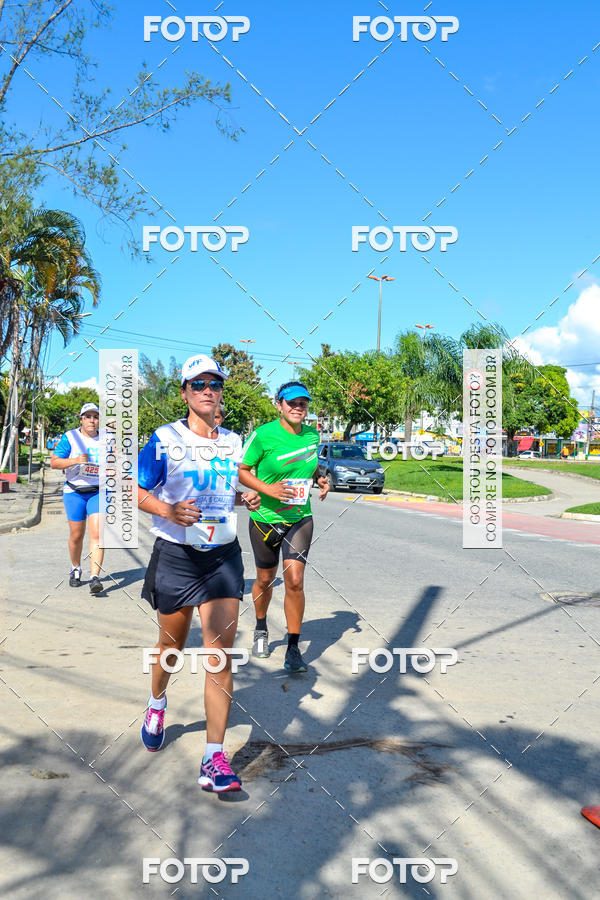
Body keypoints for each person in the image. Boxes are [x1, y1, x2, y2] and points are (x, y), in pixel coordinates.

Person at [137, 353, 261, 793]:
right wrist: (168, 509)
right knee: (170, 646)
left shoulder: (233, 441)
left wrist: (242, 499)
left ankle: (214, 758)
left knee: (218, 655)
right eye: (199, 384)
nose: (208, 391)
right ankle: (157, 702)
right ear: (186, 393)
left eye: (215, 384)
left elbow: (221, 492)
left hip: (223, 556)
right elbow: (134, 490)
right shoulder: (164, 439)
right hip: (176, 555)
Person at [238, 381, 329, 673]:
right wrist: (268, 489)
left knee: (295, 580)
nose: (297, 408)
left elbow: (310, 463)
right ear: (279, 405)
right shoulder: (263, 435)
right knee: (265, 579)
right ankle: (261, 627)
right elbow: (241, 470)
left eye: (303, 403)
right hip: (264, 518)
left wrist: (321, 477)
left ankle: (293, 647)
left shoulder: (313, 435)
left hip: (300, 518)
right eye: (291, 403)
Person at [51, 402, 105, 594]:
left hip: (97, 491)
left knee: (97, 534)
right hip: (74, 492)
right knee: (77, 535)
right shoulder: (70, 437)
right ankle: (75, 568)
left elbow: (117, 462)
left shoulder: (107, 439)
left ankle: (94, 577)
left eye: (95, 416)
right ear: (81, 419)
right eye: (88, 416)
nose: (92, 420)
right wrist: (74, 461)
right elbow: (54, 462)